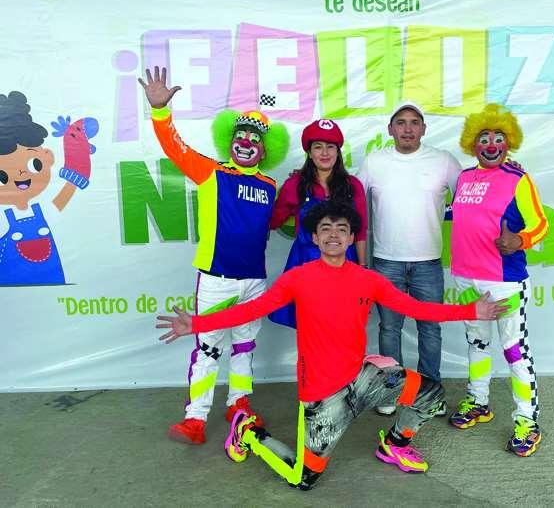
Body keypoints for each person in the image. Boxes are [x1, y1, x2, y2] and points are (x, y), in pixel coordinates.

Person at [156, 201, 508, 490]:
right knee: (303, 478)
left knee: (431, 395)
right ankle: (247, 432)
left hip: (363, 379)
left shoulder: (369, 279)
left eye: (342, 229)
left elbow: (417, 309)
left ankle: (394, 445)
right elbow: (251, 310)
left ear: (352, 236)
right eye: (326, 228)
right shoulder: (298, 278)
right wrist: (196, 324)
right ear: (315, 237)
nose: (334, 235)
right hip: (323, 396)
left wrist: (471, 311)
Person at [139, 67, 290, 444]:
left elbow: (272, 223)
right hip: (216, 279)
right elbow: (175, 148)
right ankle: (195, 419)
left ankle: (238, 403)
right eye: (240, 136)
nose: (246, 142)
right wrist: (160, 111)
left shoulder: (270, 185)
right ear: (229, 141)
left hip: (254, 282)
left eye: (254, 139)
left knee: (245, 346)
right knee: (208, 347)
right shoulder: (211, 172)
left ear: (265, 149)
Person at [448, 103, 548, 457]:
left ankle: (527, 421)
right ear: (472, 143)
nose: (491, 145)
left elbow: (541, 223)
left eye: (499, 137)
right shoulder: (463, 178)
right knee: (476, 343)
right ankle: (478, 401)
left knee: (514, 350)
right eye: (484, 138)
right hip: (466, 279)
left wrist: (519, 240)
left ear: (509, 142)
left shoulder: (518, 179)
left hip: (504, 281)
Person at [356, 101, 462, 415]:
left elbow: (471, 194)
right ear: (390, 129)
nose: (407, 128)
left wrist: (501, 174)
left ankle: (430, 394)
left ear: (423, 129)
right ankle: (392, 392)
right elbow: (349, 197)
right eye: (400, 122)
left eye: (414, 122)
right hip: (385, 261)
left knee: (430, 329)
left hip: (428, 262)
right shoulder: (374, 162)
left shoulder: (443, 161)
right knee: (389, 329)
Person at [268, 118, 368, 328]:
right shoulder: (295, 184)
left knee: (341, 326)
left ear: (338, 151)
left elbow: (360, 232)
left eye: (330, 147)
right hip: (305, 264)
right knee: (309, 326)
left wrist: (362, 268)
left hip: (344, 265)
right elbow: (273, 220)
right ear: (309, 152)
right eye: (318, 147)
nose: (324, 153)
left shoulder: (353, 186)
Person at [0, 91, 97, 286]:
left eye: (34, 164)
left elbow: (60, 202)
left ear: (48, 157)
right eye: (3, 176)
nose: (21, 174)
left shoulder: (42, 207)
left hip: (52, 286)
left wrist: (75, 173)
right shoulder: (3, 218)